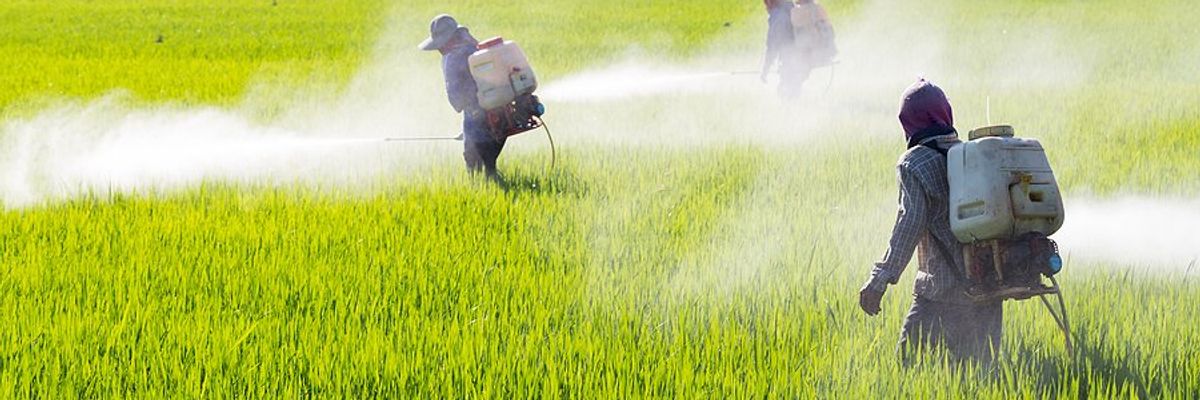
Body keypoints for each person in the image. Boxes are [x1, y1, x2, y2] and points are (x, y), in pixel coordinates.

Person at [858, 79, 1003, 363]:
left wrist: (880, 279)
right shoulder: (972, 155)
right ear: (945, 114)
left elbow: (908, 225)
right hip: (989, 284)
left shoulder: (914, 163)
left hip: (941, 291)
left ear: (909, 123)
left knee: (908, 368)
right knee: (981, 375)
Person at [419, 14, 506, 182]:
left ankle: (485, 195)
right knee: (489, 167)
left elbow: (458, 100)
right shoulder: (475, 48)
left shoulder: (452, 58)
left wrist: (472, 130)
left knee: (477, 174)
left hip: (479, 116)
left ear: (446, 41)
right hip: (502, 113)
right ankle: (493, 185)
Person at [760, 0, 805, 98]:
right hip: (804, 59)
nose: (765, 6)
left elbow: (772, 46)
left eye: (766, 2)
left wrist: (765, 70)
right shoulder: (792, 9)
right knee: (794, 88)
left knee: (786, 92)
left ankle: (790, 108)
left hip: (790, 62)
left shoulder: (778, 16)